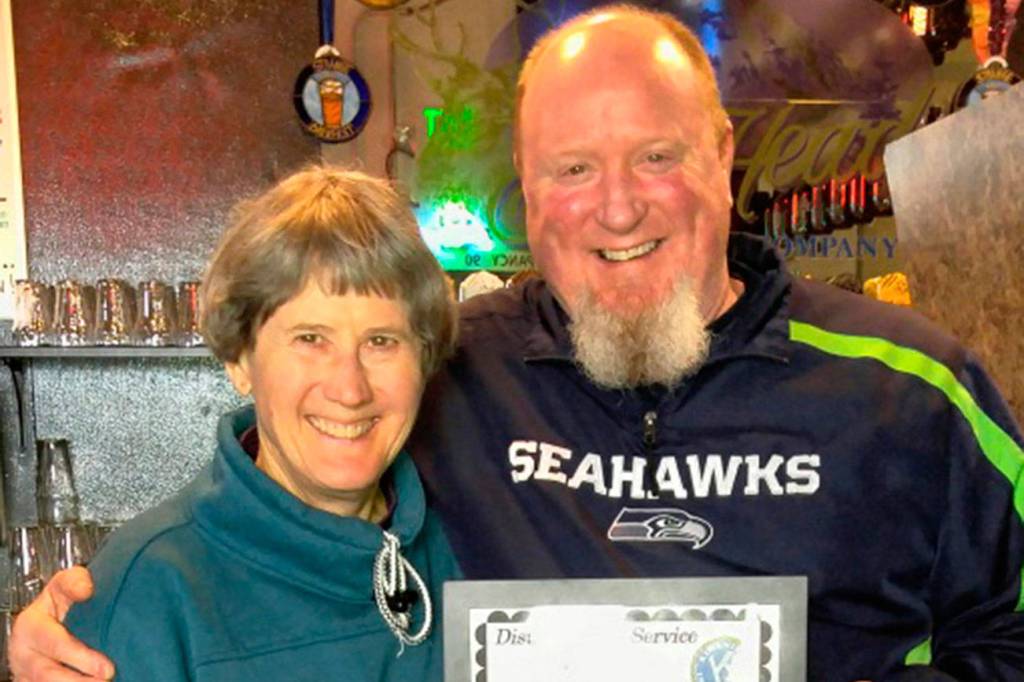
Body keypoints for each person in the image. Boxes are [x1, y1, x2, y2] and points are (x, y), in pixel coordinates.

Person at [10, 5, 1024, 682]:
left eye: (656, 156)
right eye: (572, 169)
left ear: (721, 157)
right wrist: (84, 623)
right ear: (528, 193)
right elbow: (289, 480)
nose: (617, 208)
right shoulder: (451, 369)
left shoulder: (911, 388)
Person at [32, 166, 461, 680]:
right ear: (239, 360)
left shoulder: (469, 545)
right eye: (310, 339)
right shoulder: (148, 591)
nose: (350, 389)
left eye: (381, 342)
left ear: (424, 361)